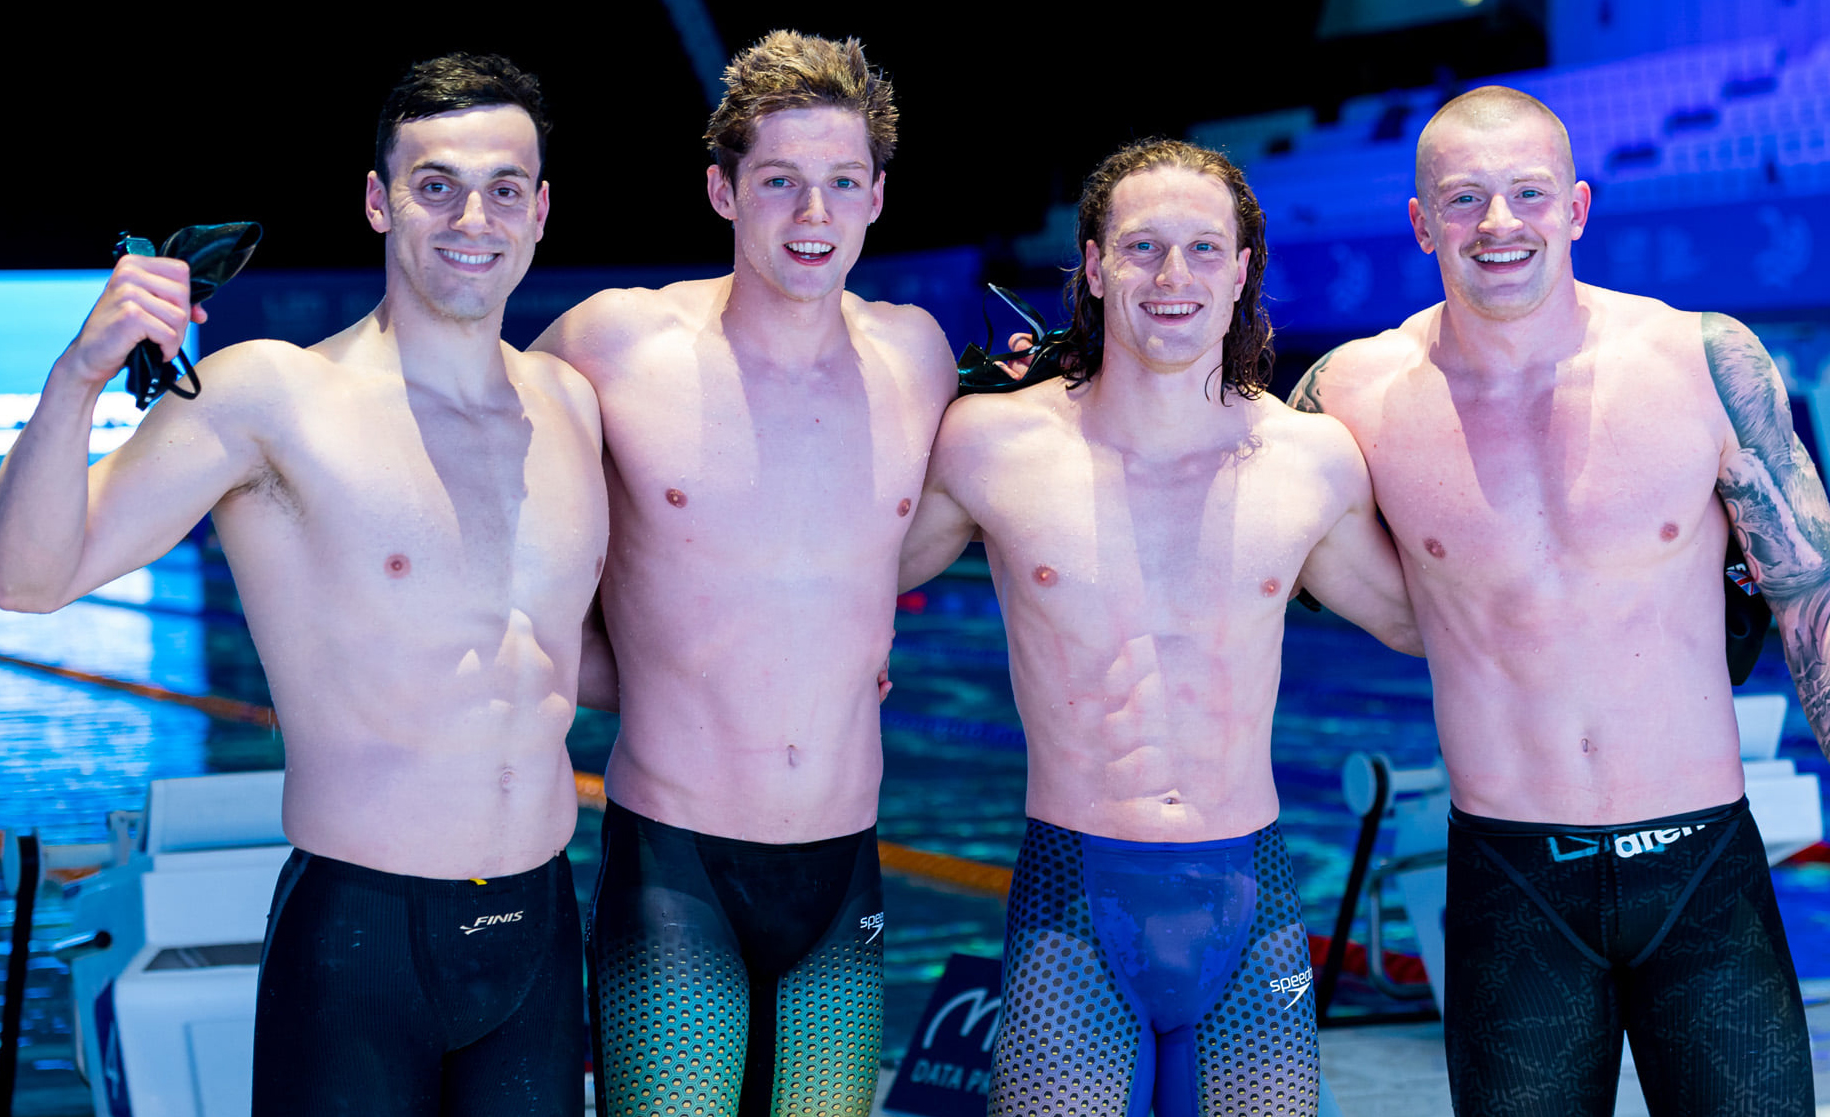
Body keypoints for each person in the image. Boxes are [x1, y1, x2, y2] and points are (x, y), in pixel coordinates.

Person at [0, 54, 608, 1116]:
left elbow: (577, 653)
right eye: (436, 184)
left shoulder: (568, 406)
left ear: (541, 209)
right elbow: (28, 578)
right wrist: (79, 373)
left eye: (505, 187)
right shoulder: (272, 394)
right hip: (360, 942)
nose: (474, 215)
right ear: (378, 200)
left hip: (541, 933)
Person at [1289, 85, 1821, 1116]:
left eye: (1528, 193)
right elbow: (1221, 499)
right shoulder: (1354, 395)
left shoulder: (1704, 362)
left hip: (1700, 869)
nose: (1498, 224)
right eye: (1464, 198)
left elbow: (1812, 601)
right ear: (1418, 222)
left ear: (1576, 208)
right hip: (1513, 881)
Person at [898, 138, 1420, 1117]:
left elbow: (1421, 622)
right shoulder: (993, 443)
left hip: (1252, 903)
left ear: (1243, 270)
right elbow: (837, 590)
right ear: (1094, 267)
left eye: (1202, 249)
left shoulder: (1311, 461)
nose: (1172, 277)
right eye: (1141, 249)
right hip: (1073, 907)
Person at [529, 30, 955, 1117]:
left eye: (840, 184)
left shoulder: (918, 357)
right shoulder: (617, 342)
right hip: (677, 865)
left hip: (843, 861)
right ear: (723, 191)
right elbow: (479, 498)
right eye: (779, 183)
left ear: (876, 197)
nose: (813, 217)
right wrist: (623, 668)